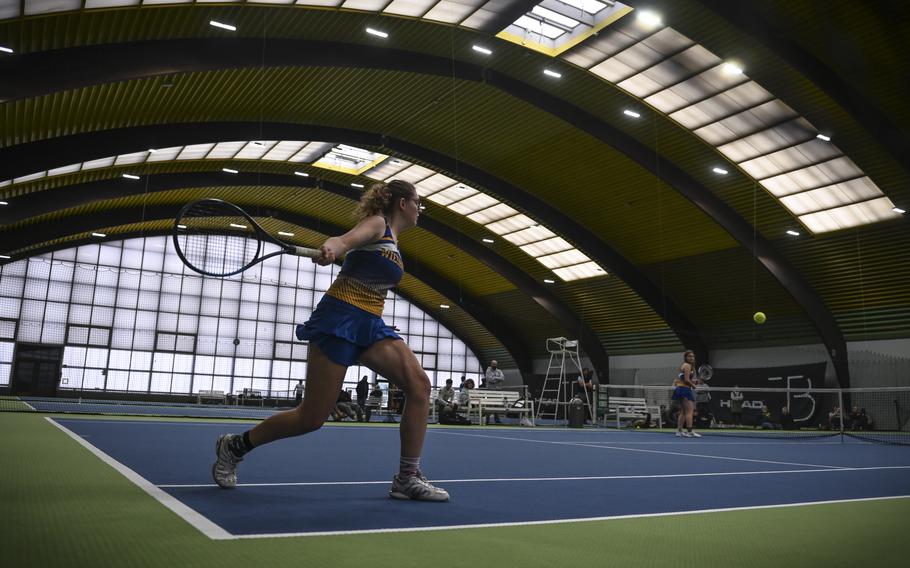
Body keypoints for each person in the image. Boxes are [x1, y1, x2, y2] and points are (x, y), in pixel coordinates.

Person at [211, 179, 449, 502]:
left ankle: (407, 477)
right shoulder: (378, 224)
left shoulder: (394, 241)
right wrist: (333, 247)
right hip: (339, 319)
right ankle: (235, 445)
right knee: (311, 418)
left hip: (370, 325)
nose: (420, 209)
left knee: (419, 385)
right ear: (403, 203)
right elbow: (346, 239)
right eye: (418, 202)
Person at [671, 350, 701, 438]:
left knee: (683, 412)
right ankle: (690, 431)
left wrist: (693, 382)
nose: (691, 358)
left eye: (693, 356)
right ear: (686, 357)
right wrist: (694, 385)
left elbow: (683, 379)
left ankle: (679, 431)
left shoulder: (684, 365)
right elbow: (687, 380)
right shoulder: (687, 366)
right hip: (684, 390)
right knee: (689, 412)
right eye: (689, 356)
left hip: (680, 389)